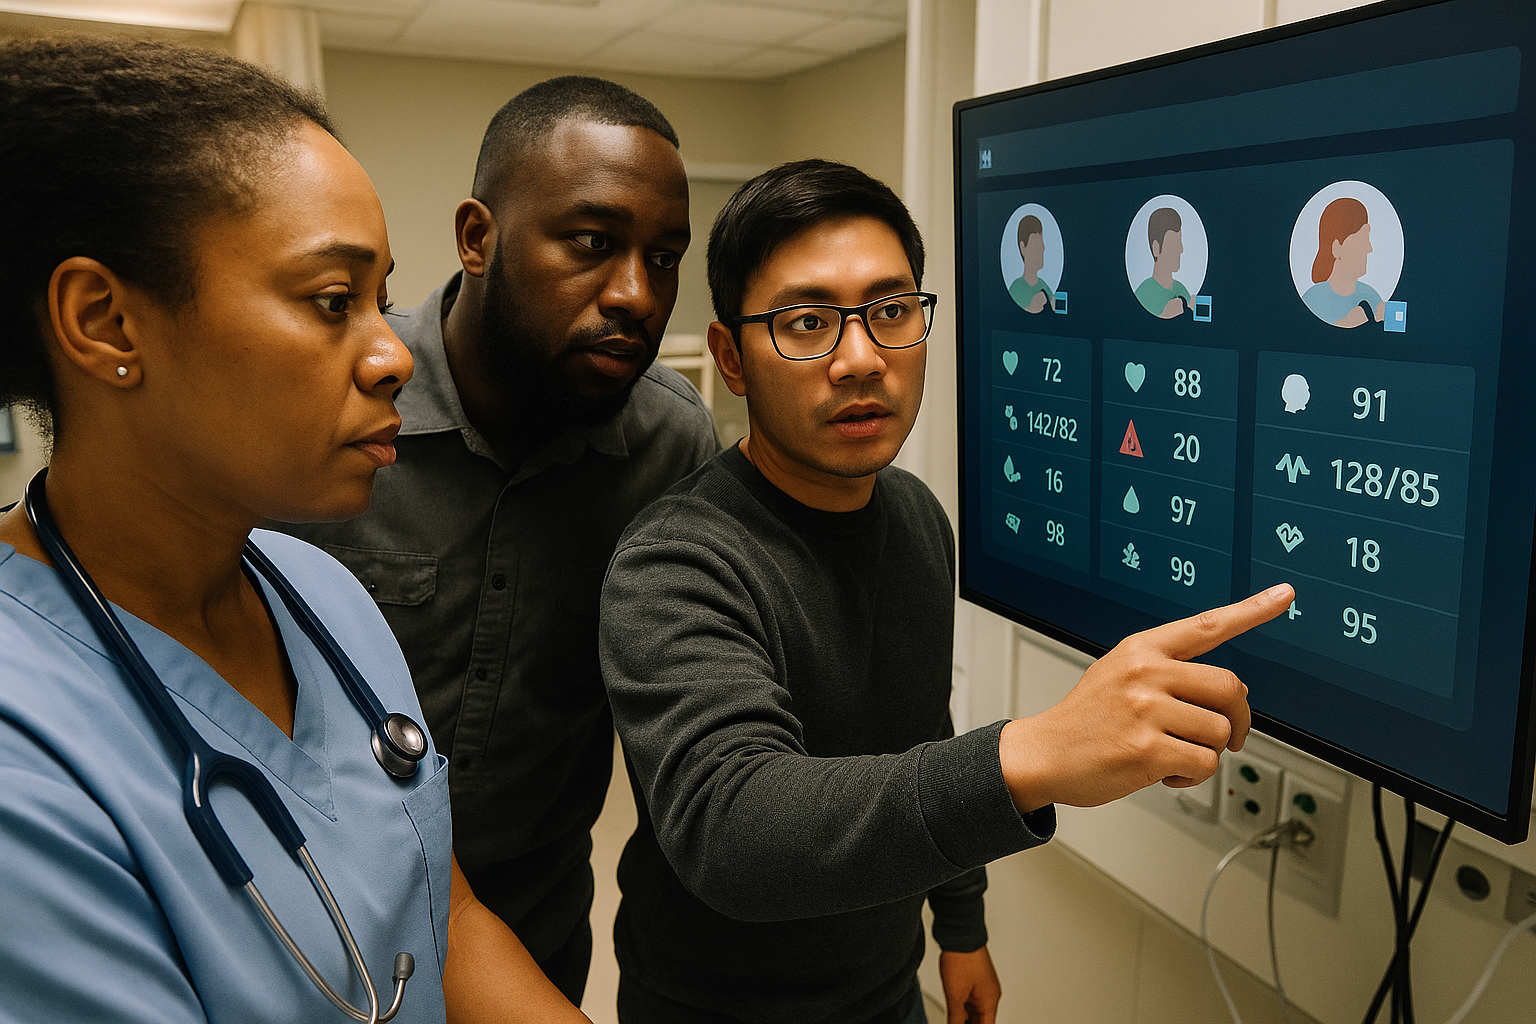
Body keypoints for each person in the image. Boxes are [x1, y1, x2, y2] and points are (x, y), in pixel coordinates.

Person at [599, 160, 1293, 1024]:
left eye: (891, 312)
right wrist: (1034, 753)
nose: (860, 360)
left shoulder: (918, 518)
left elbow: (918, 724)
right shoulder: (676, 561)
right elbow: (732, 825)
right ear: (732, 359)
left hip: (887, 988)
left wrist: (961, 926)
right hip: (711, 1005)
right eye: (808, 322)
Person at [0, 37, 589, 1024]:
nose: (394, 352)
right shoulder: (24, 751)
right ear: (105, 321)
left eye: (379, 296)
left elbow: (440, 909)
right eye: (330, 301)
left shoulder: (319, 594)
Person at [277, 76, 720, 1002]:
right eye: (592, 245)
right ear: (478, 238)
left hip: (536, 928)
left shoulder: (671, 444)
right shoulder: (334, 412)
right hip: (309, 924)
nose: (639, 294)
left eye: (666, 257)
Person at [1302, 197, 1385, 328]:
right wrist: (1345, 323)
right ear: (1337, 248)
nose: (1369, 248)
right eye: (1363, 239)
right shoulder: (1312, 299)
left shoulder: (1372, 297)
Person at [1134, 206, 1193, 318]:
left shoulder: (1182, 291)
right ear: (1156, 248)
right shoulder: (1143, 294)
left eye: (1179, 241)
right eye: (1173, 243)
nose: (1181, 249)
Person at [1006, 214, 1053, 313]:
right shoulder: (1016, 288)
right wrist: (1031, 307)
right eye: (1036, 244)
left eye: (1041, 242)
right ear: (1023, 248)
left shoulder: (1044, 286)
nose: (1042, 248)